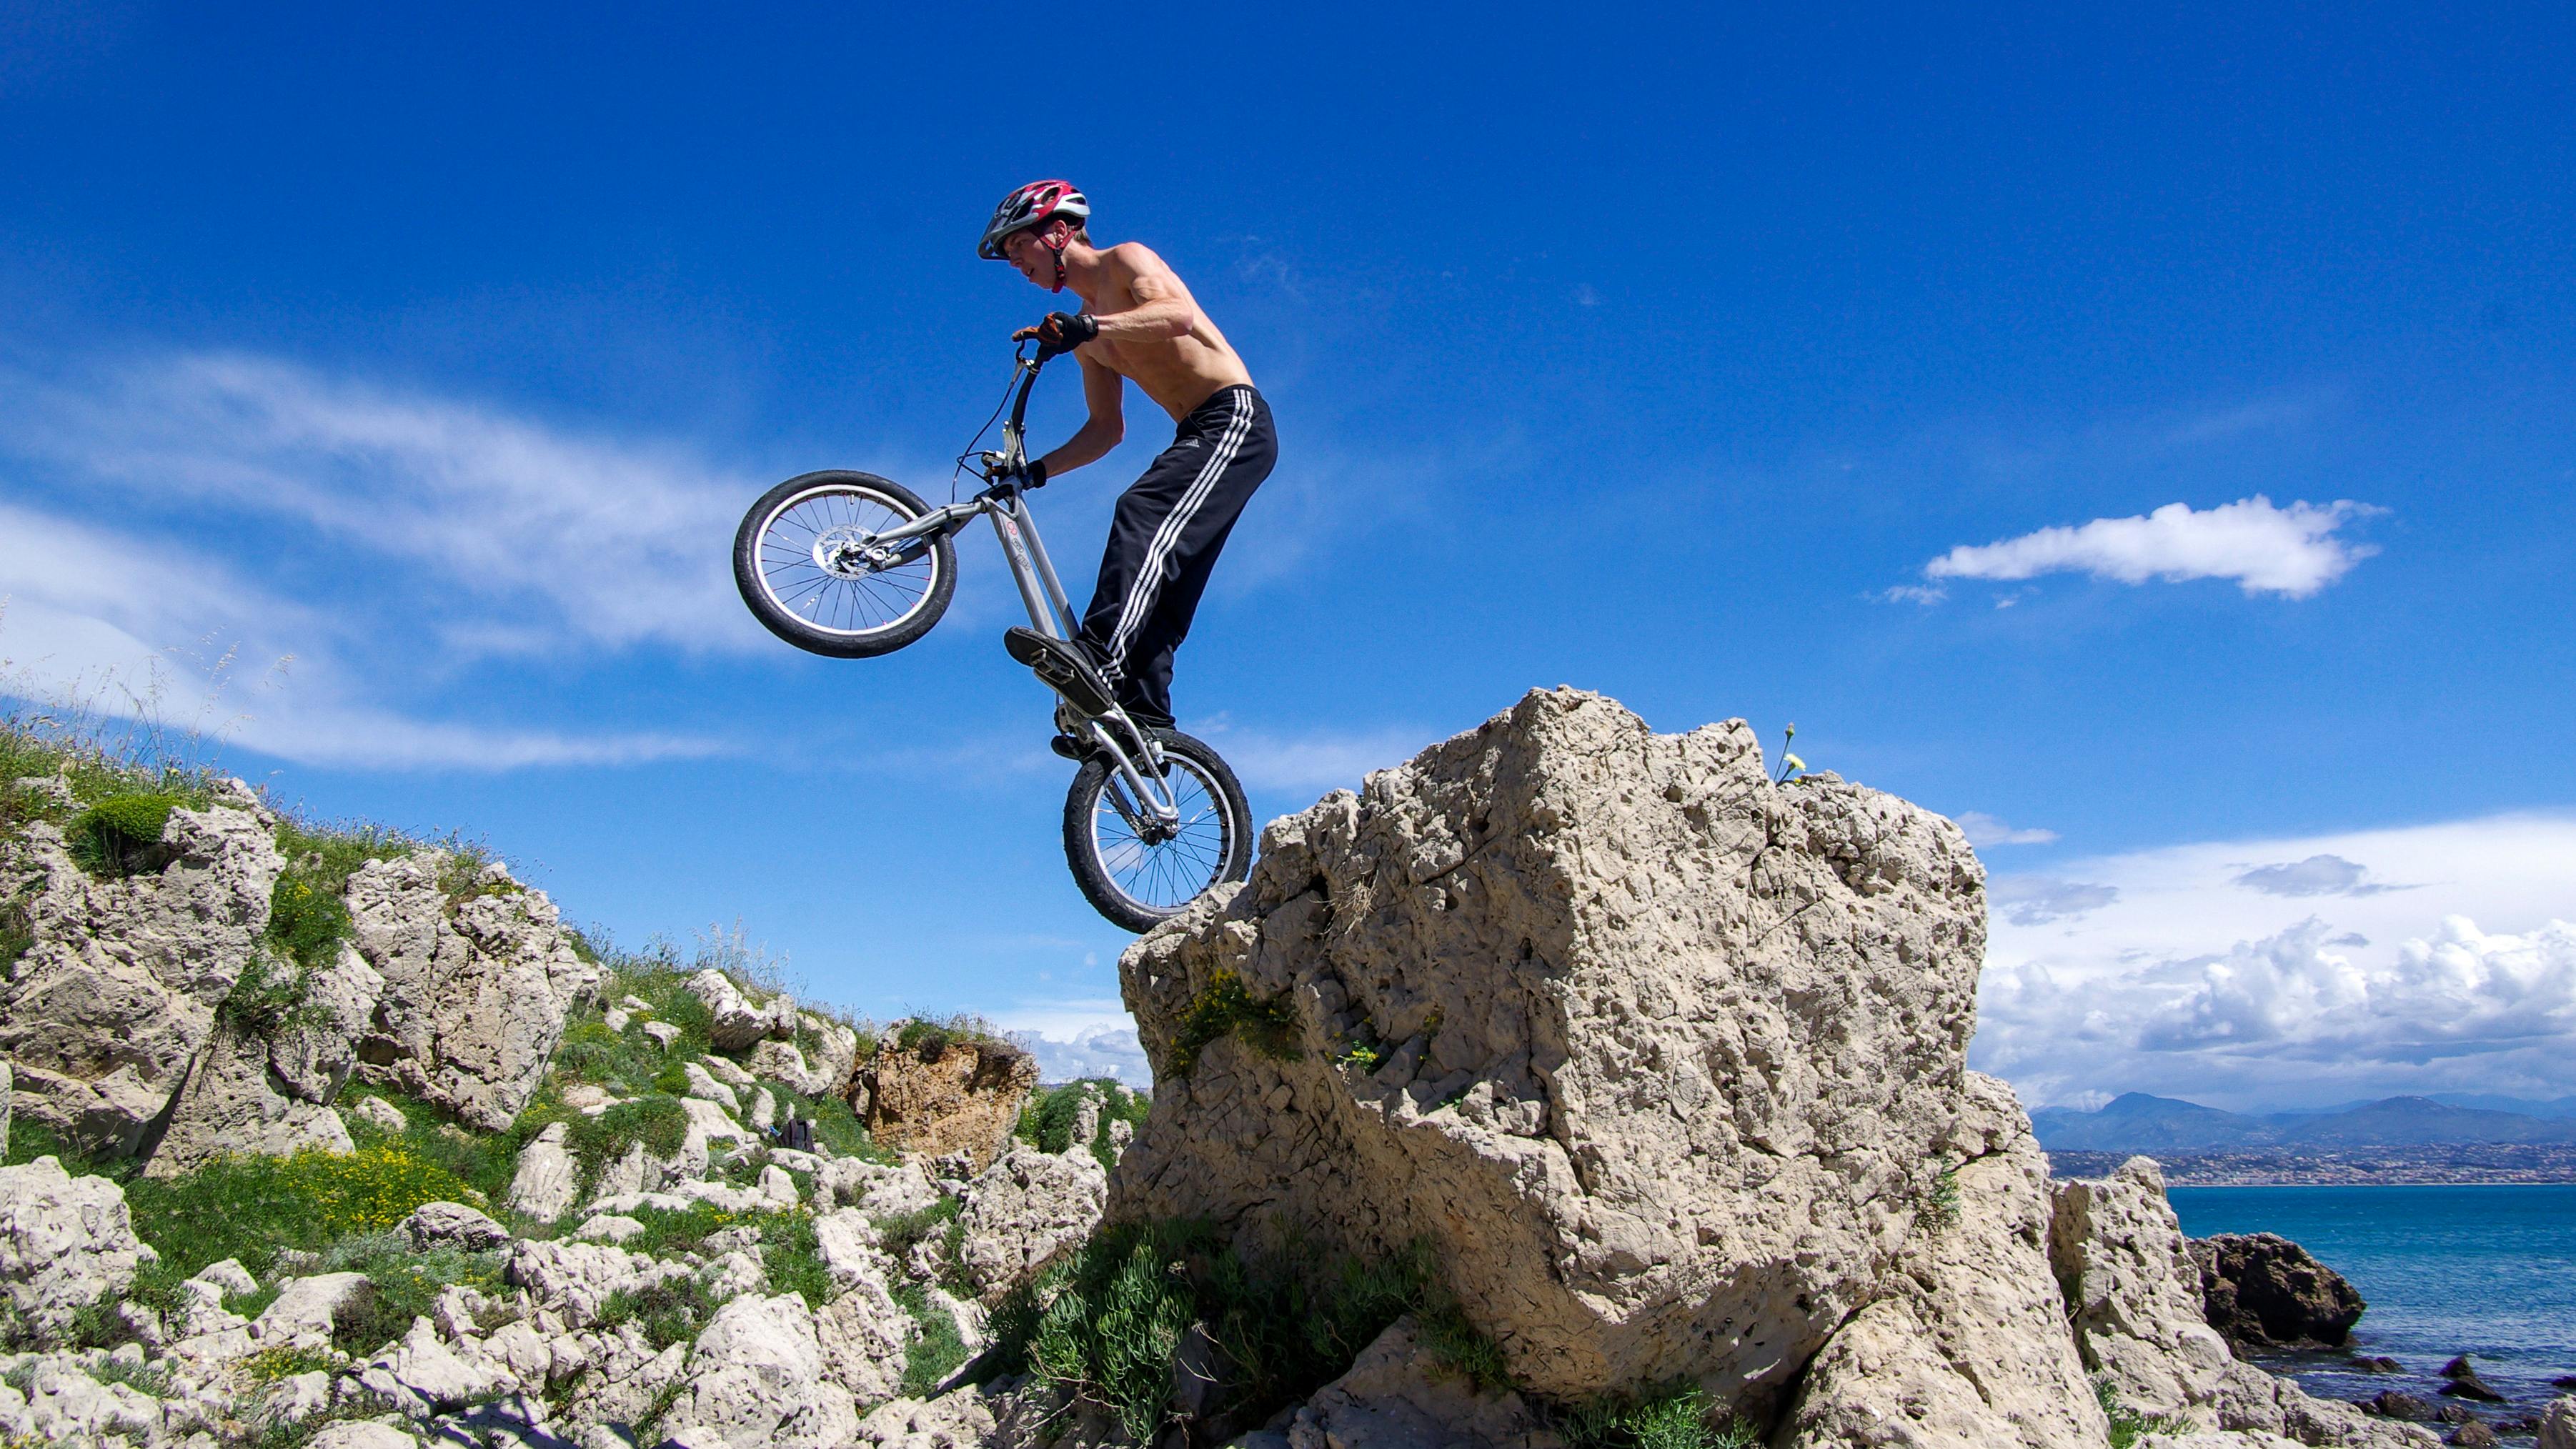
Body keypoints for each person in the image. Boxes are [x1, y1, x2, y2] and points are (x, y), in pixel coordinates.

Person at [976, 179, 1275, 755]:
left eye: (1019, 246)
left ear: (1059, 230)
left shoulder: (1125, 261)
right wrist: (1034, 473)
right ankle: (1145, 719)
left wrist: (1089, 328)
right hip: (1197, 433)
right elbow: (1104, 432)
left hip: (1233, 418)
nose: (1015, 263)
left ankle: (1096, 658)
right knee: (1168, 586)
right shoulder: (1088, 338)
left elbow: (1176, 316)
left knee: (1142, 511)